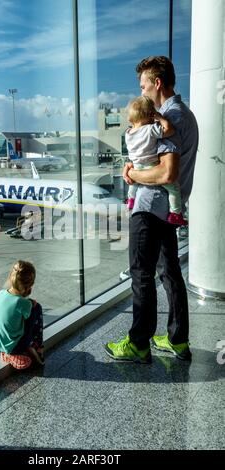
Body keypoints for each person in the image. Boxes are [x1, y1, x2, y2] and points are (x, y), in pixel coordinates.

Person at [105, 56, 198, 364]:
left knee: (141, 273)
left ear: (157, 83)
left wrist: (131, 175)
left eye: (143, 84)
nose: (141, 91)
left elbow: (166, 173)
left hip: (149, 208)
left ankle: (138, 343)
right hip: (168, 210)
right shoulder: (185, 114)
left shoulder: (166, 119)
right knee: (170, 273)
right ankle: (177, 340)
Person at [125, 95, 187, 226]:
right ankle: (175, 213)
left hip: (136, 166)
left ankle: (131, 199)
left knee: (134, 183)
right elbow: (169, 130)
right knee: (174, 188)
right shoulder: (150, 130)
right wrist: (160, 118)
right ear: (150, 115)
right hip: (150, 166)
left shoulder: (128, 133)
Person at [0, 260, 44, 369]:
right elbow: (29, 316)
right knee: (37, 308)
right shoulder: (23, 303)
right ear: (30, 284)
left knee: (24, 314)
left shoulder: (0, 293)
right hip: (14, 347)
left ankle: (8, 354)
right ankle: (36, 347)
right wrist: (30, 304)